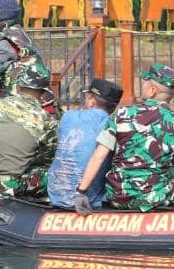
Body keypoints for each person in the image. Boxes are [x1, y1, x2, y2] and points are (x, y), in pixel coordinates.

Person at [73, 63, 174, 214]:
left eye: (145, 82)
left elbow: (98, 155)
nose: (142, 85)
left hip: (116, 197)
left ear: (152, 90)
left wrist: (81, 192)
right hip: (152, 198)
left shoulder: (122, 114)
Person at [0, 60, 58, 201]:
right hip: (7, 186)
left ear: (19, 87)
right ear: (43, 92)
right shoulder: (46, 120)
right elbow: (50, 160)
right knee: (54, 173)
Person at [46, 78, 124, 210]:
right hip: (89, 200)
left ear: (92, 101)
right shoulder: (112, 124)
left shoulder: (67, 117)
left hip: (56, 195)